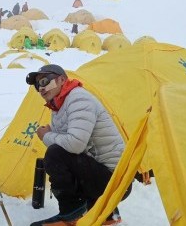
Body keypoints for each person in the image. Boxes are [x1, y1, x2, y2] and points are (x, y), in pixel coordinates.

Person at [26, 64, 131, 226]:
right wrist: (52, 133)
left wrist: (46, 135)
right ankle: (106, 213)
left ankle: (71, 214)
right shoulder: (60, 105)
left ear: (62, 80)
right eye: (37, 85)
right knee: (63, 154)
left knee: (55, 154)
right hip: (108, 178)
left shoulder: (78, 98)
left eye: (45, 81)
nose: (41, 88)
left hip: (115, 182)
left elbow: (75, 145)